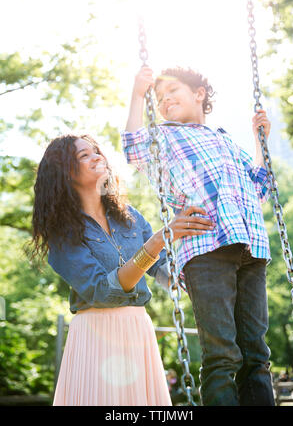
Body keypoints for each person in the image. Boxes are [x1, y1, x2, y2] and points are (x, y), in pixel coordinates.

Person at [121, 65, 275, 406]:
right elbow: (132, 148)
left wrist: (260, 139)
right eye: (159, 98)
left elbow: (261, 186)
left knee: (256, 352)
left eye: (172, 91)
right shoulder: (164, 136)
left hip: (251, 247)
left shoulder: (225, 140)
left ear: (198, 94)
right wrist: (137, 94)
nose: (165, 101)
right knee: (221, 352)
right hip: (206, 248)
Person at [29, 133, 213, 406]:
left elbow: (162, 269)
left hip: (137, 329)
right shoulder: (62, 233)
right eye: (84, 155)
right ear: (66, 171)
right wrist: (157, 241)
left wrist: (204, 275)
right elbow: (103, 291)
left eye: (96, 151)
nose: (97, 157)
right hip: (94, 333)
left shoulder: (129, 216)